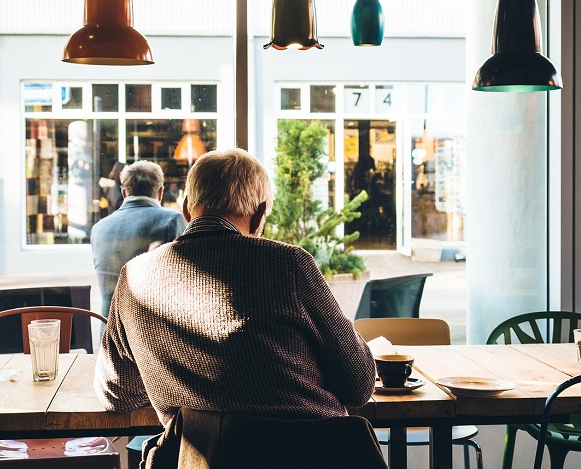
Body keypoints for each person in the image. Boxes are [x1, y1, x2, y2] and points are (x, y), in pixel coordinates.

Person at [94, 148, 375, 425]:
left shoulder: (134, 277)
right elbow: (358, 385)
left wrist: (175, 378)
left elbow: (116, 394)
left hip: (200, 458)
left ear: (186, 209)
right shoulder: (289, 265)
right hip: (312, 454)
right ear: (259, 214)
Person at [90, 160, 187, 318]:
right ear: (161, 192)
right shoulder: (172, 221)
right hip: (150, 333)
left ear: (123, 193)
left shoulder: (99, 228)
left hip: (108, 334)